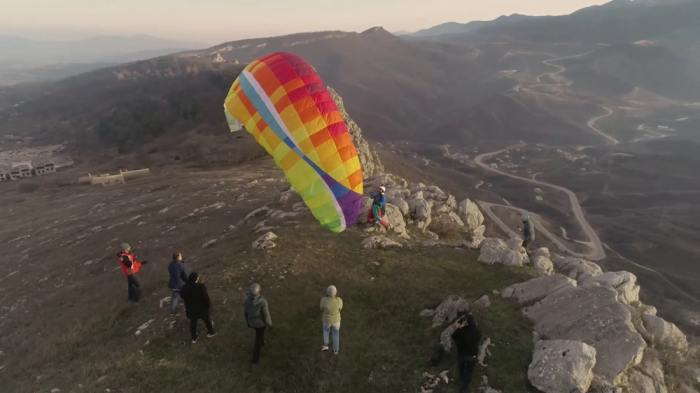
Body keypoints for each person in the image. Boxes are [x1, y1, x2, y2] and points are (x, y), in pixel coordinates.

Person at [180, 272, 216, 343]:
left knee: (193, 323)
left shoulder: (184, 288)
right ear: (195, 279)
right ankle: (211, 332)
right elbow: (206, 298)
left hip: (191, 309)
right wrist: (208, 305)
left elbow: (182, 296)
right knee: (207, 319)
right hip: (201, 308)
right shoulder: (200, 287)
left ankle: (194, 337)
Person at [451, 313, 482, 393]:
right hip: (472, 356)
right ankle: (464, 387)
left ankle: (461, 380)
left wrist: (459, 328)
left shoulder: (461, 331)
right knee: (469, 372)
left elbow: (453, 337)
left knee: (461, 368)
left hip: (462, 355)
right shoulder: (478, 332)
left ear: (466, 323)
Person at [244, 283, 273, 366]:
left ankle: (263, 342)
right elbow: (266, 315)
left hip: (251, 322)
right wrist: (270, 325)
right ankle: (254, 360)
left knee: (259, 334)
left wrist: (247, 322)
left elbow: (245, 313)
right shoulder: (263, 302)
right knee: (258, 341)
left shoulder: (247, 301)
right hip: (260, 324)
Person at [320, 285, 343, 355]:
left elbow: (321, 308)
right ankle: (336, 350)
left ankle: (326, 344)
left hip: (326, 320)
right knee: (336, 334)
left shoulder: (323, 300)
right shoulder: (338, 300)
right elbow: (340, 308)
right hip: (336, 320)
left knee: (326, 330)